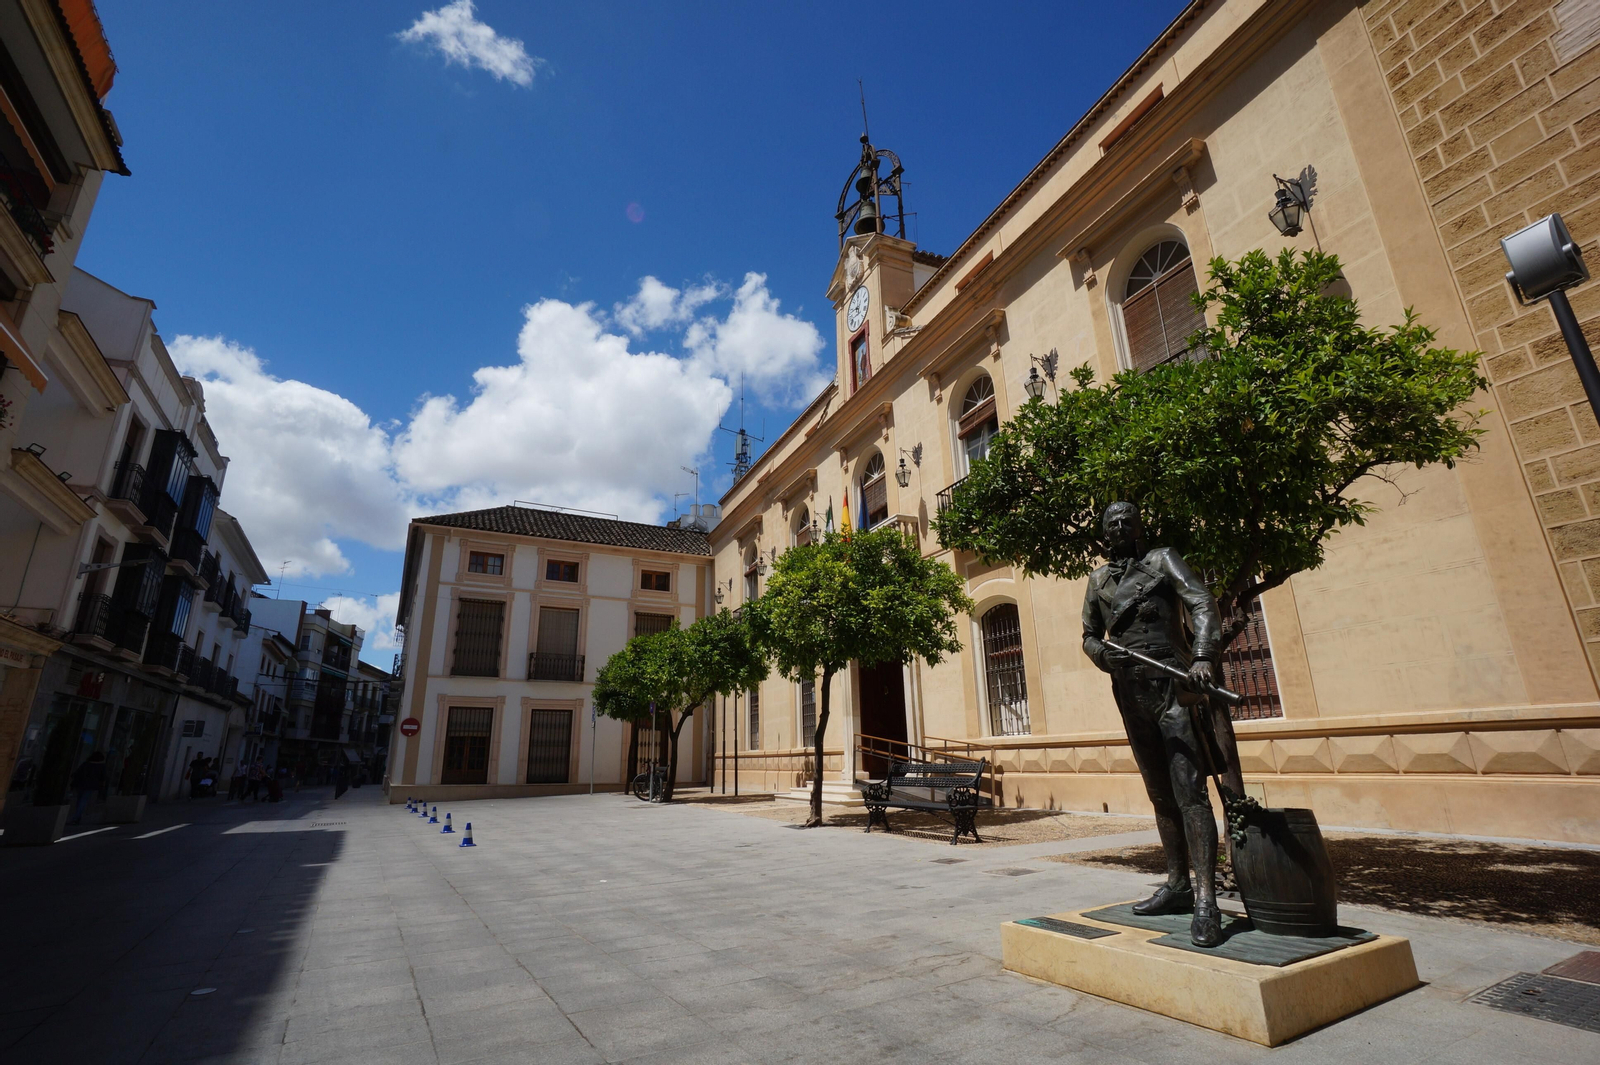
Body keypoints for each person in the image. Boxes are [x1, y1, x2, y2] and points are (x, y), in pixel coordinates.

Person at [1082, 501, 1224, 947]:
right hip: (1129, 690)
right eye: (1112, 522)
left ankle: (1207, 900)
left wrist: (1202, 655)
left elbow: (1201, 602)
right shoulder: (1098, 580)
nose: (1120, 526)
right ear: (1105, 532)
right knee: (1160, 794)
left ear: (1139, 526)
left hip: (1171, 685)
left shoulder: (1162, 560)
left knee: (1190, 792)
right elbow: (1089, 635)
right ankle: (1178, 885)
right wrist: (1102, 655)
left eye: (1128, 519)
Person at [68, 751, 107, 825]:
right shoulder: (101, 766)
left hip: (81, 784)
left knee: (80, 799)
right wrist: (102, 786)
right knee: (83, 800)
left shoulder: (86, 764)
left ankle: (77, 816)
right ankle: (77, 816)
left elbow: (77, 773)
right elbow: (103, 777)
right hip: (91, 785)